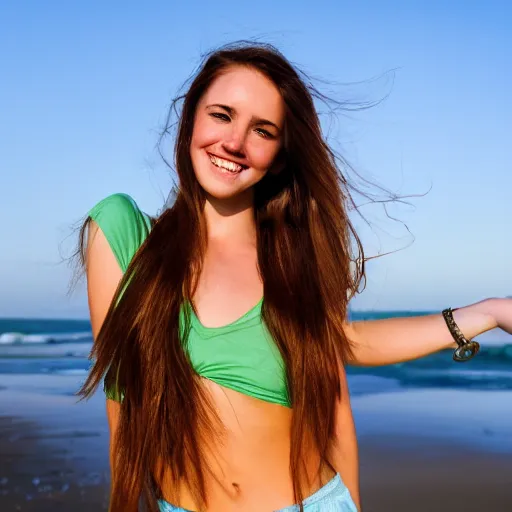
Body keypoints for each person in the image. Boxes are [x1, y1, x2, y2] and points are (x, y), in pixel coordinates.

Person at [77, 42, 512, 512]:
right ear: (191, 120)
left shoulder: (294, 257)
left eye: (261, 130)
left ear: (280, 156)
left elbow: (339, 376)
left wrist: (486, 313)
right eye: (221, 115)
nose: (234, 143)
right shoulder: (124, 234)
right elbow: (120, 392)